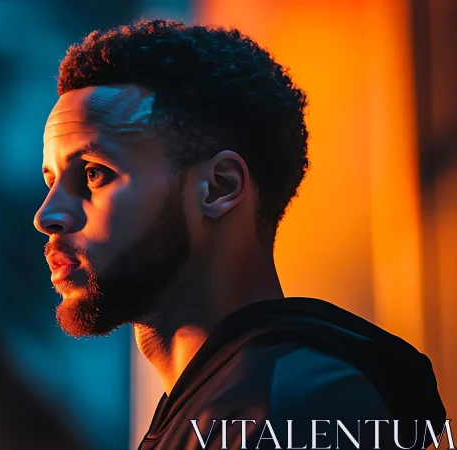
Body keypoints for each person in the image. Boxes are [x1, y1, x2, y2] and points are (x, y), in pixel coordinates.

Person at [33, 19, 447, 449]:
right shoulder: (225, 408)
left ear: (220, 187)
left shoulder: (293, 406)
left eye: (94, 174)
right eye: (51, 181)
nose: (47, 215)